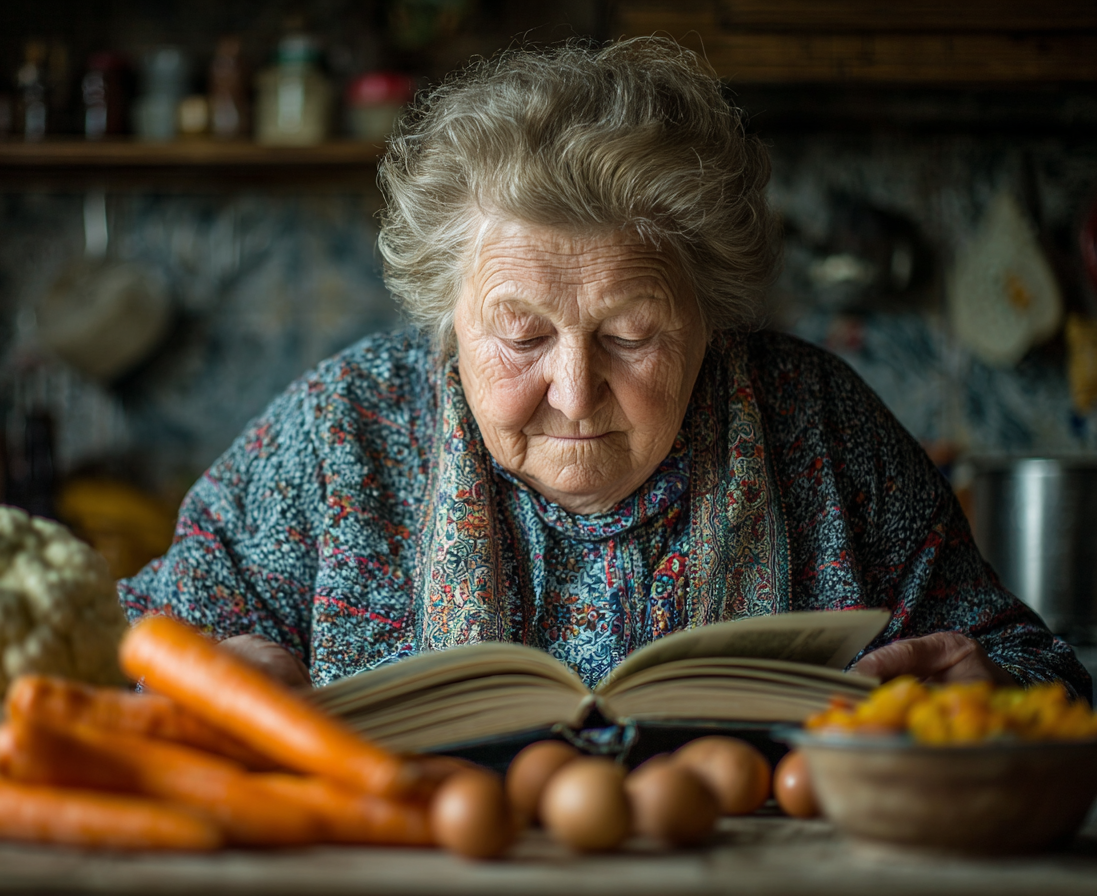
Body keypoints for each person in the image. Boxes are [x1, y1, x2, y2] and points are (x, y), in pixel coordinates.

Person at [119, 38, 1090, 700]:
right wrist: (201, 675)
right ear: (444, 316)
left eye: (631, 336)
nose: (575, 392)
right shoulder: (343, 431)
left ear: (710, 317)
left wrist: (983, 679)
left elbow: (1041, 672)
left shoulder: (820, 423)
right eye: (522, 335)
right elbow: (115, 659)